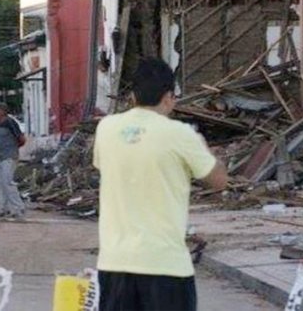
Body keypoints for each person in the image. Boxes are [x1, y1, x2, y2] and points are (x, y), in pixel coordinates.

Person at [93, 58, 228, 311]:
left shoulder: (106, 128)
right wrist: (203, 146)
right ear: (169, 96)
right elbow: (219, 181)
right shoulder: (180, 134)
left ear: (132, 95)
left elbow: (105, 165)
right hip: (165, 266)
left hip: (114, 264)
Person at [0, 102, 26, 220]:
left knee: (8, 182)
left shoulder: (9, 122)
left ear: (2, 111)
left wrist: (13, 148)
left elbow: (21, 139)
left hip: (9, 156)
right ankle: (5, 208)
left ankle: (19, 208)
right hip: (0, 157)